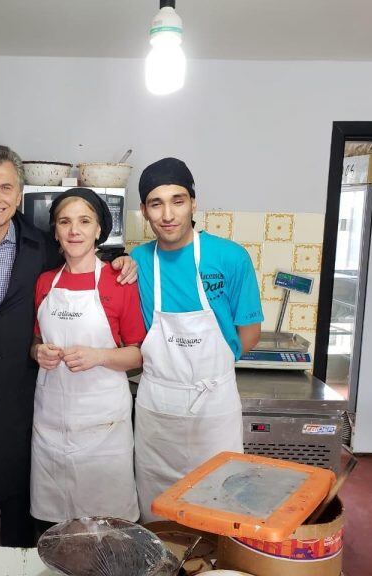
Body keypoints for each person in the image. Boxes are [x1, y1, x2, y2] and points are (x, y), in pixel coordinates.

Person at [0, 145, 136, 547]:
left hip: (20, 403)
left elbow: (83, 257)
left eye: (5, 187)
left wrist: (125, 259)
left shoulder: (40, 248)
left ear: (19, 193)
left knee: (20, 510)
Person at [131, 157, 263, 521]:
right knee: (159, 509)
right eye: (156, 203)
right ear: (144, 211)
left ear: (193, 203)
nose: (168, 214)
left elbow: (249, 333)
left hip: (214, 407)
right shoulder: (138, 262)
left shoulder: (231, 258)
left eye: (178, 200)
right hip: (158, 407)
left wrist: (212, 370)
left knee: (220, 502)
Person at [30, 189, 145, 530]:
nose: (74, 230)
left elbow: (138, 353)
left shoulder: (119, 280)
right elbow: (34, 340)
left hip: (104, 429)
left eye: (84, 221)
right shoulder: (45, 282)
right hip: (52, 424)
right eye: (65, 222)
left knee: (107, 530)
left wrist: (99, 356)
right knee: (55, 530)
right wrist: (37, 352)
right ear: (55, 231)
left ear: (99, 230)